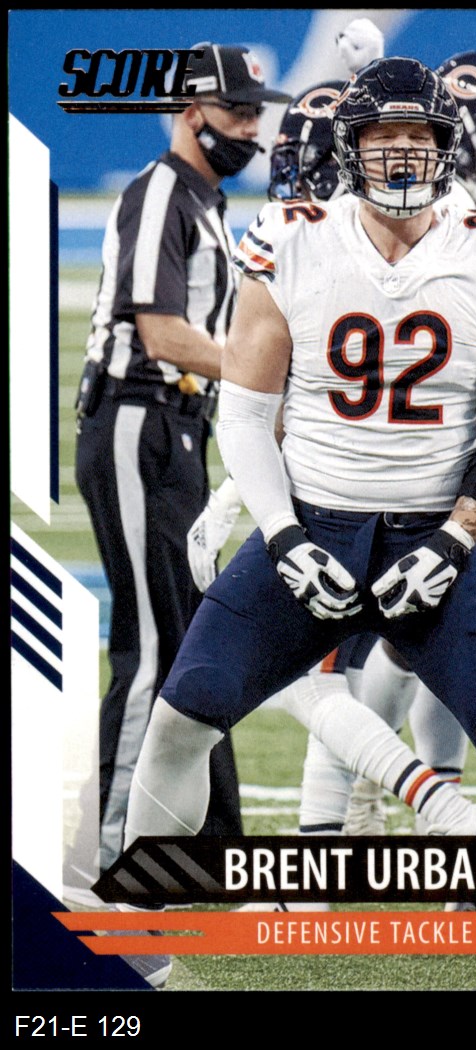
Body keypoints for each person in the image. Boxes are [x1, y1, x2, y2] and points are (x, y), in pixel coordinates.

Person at [125, 54, 476, 922]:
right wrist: (281, 534)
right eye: (383, 136)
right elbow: (247, 413)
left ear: (445, 147)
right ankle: (142, 935)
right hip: (312, 521)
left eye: (419, 135)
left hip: (433, 532)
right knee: (182, 718)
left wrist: (456, 537)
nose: (402, 153)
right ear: (350, 147)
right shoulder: (291, 235)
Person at [71, 43, 292, 882]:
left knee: (200, 644)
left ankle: (213, 849)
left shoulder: (204, 201)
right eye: (236, 111)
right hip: (138, 422)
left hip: (179, 429)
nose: (250, 128)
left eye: (254, 113)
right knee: (156, 647)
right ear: (190, 112)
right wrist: (261, 383)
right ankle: (110, 858)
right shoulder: (162, 190)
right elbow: (161, 332)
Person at [343, 44, 476, 836]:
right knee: (391, 639)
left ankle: (428, 806)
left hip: (470, 451)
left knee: (431, 637)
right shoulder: (408, 211)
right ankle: (349, 801)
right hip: (396, 454)